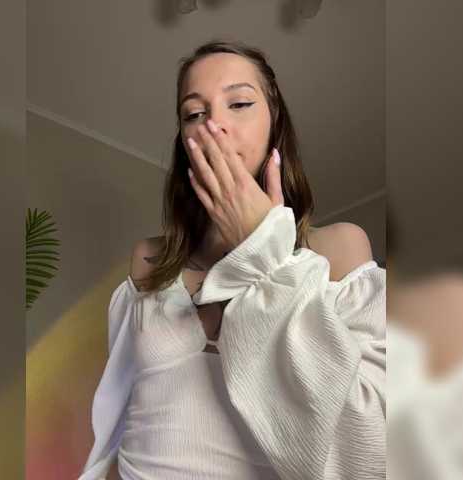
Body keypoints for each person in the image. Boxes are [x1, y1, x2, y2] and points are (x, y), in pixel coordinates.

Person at [79, 40, 386, 480]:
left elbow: (369, 452)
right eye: (193, 113)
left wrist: (264, 253)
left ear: (275, 124)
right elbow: (123, 420)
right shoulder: (149, 259)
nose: (214, 125)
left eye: (239, 103)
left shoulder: (340, 250)